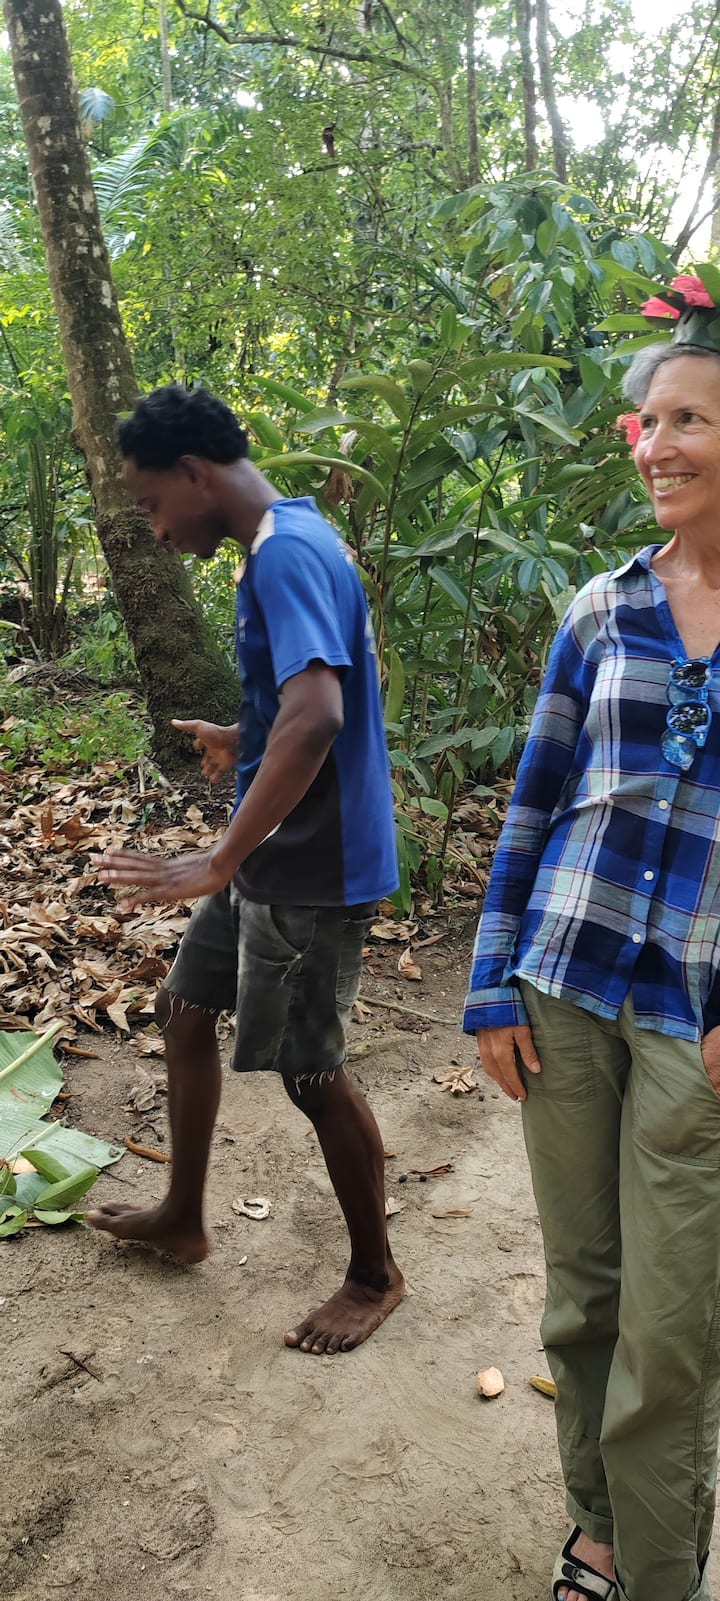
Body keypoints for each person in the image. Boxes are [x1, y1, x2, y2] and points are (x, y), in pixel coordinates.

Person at [464, 276, 720, 1601]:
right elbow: (535, 801)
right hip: (563, 979)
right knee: (585, 1292)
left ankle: (662, 1571)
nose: (655, 446)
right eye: (648, 423)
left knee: (672, 1327)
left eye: (690, 420)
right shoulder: (600, 607)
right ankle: (597, 1532)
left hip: (695, 1013)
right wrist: (488, 985)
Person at [88, 383, 404, 1356]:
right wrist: (243, 735)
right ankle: (183, 1216)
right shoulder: (287, 539)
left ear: (194, 473)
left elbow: (321, 716)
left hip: (313, 865)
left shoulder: (287, 552)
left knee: (311, 1071)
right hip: (273, 854)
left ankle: (375, 1275)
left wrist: (217, 856)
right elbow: (297, 704)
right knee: (184, 1010)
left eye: (152, 502)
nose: (155, 527)